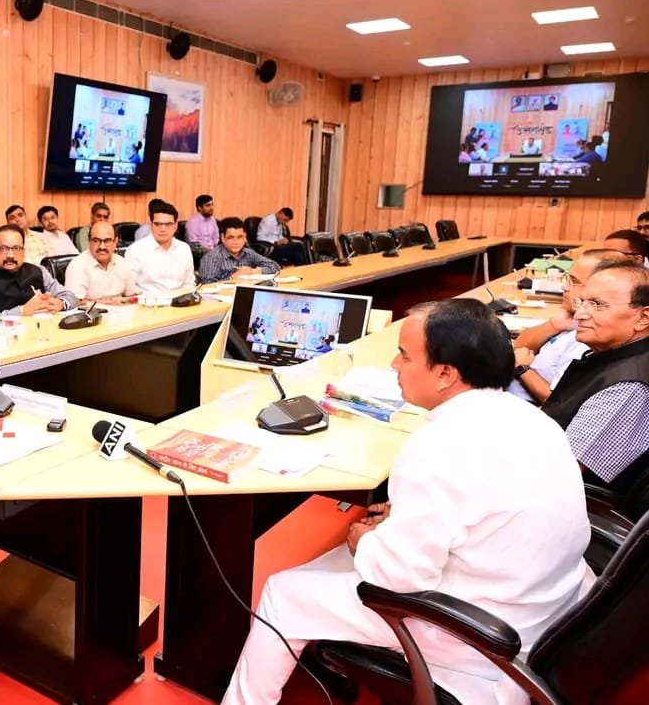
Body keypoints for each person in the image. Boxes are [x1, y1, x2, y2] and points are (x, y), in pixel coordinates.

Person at [223, 299, 591, 705]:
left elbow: (399, 578)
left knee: (284, 591)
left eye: (405, 356)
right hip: (542, 610)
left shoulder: (439, 444)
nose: (394, 366)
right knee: (330, 562)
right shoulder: (532, 419)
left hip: (476, 632)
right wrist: (399, 522)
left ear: (445, 374)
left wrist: (365, 541)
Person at [542, 262, 649, 502]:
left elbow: (557, 470)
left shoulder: (629, 387)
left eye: (598, 305)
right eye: (582, 302)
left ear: (643, 317)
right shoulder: (615, 356)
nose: (580, 314)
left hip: (565, 504)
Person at [509, 249, 626, 403]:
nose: (564, 286)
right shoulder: (571, 319)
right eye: (567, 278)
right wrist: (554, 325)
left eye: (573, 281)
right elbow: (520, 346)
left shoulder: (588, 337)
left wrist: (523, 369)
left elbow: (560, 402)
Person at [0, 224, 78, 318]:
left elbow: (71, 297)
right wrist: (21, 312)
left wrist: (60, 303)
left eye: (16, 248)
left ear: (23, 251)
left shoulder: (39, 271)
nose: (10, 255)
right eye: (3, 249)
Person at [125, 201, 196, 293]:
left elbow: (189, 283)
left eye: (168, 224)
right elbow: (129, 287)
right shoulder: (136, 250)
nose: (163, 229)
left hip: (180, 300)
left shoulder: (184, 248)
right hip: (148, 300)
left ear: (175, 226)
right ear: (151, 225)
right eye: (158, 224)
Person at [64, 220, 137, 301]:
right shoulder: (77, 266)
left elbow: (132, 296)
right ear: (89, 241)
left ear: (115, 242)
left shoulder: (122, 263)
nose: (102, 247)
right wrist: (109, 303)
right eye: (96, 241)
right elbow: (74, 302)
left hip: (122, 308)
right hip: (91, 310)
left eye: (107, 241)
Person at [198, 217, 280, 283]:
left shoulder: (248, 253)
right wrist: (233, 277)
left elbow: (275, 266)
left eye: (239, 237)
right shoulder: (211, 258)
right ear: (223, 238)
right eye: (231, 237)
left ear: (245, 237)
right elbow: (206, 286)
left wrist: (253, 271)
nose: (235, 242)